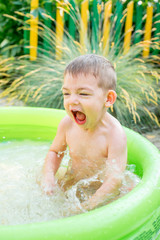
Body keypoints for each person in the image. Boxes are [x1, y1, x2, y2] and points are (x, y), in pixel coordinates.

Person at [40, 54, 127, 211]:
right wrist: (48, 176)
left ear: (108, 99)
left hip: (100, 192)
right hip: (73, 183)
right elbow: (55, 152)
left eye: (83, 94)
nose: (72, 100)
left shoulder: (114, 134)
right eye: (66, 93)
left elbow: (115, 179)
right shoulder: (67, 124)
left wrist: (88, 206)